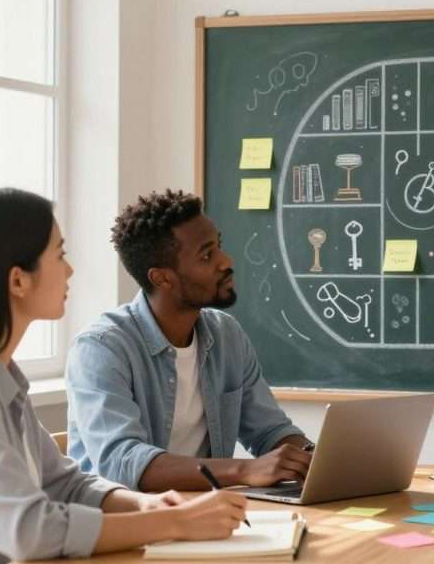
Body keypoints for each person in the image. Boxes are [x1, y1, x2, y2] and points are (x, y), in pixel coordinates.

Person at [0, 187, 248, 564]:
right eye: (60, 254)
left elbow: (64, 482)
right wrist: (176, 523)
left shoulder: (0, 379)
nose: (70, 269)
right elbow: (28, 532)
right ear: (18, 281)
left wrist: (146, 505)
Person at [66, 189, 313, 492]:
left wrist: (311, 459)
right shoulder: (101, 348)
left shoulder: (227, 336)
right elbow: (122, 461)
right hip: (127, 523)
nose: (225, 261)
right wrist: (244, 470)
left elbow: (270, 431)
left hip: (207, 516)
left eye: (218, 247)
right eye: (207, 255)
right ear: (162, 278)